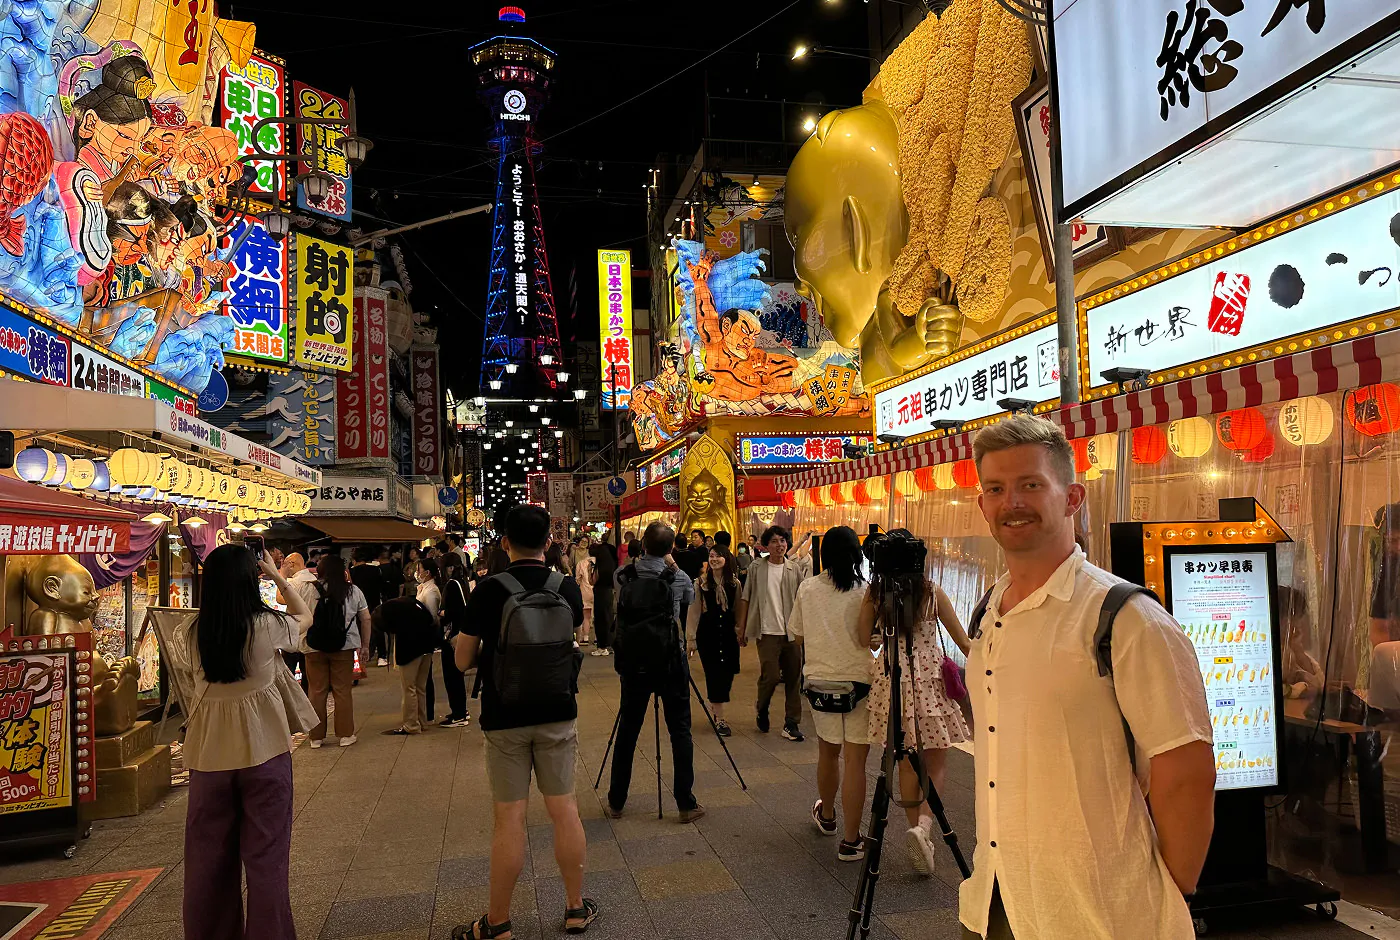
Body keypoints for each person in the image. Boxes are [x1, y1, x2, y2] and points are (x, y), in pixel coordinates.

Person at [959, 415, 1214, 940]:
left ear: (1072, 498)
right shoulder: (989, 611)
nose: (1012, 502)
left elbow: (1185, 770)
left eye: (1032, 485)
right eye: (996, 489)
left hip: (1101, 911)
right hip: (996, 896)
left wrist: (1167, 894)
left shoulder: (1126, 619)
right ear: (982, 505)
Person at [452, 505, 598, 938]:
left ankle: (497, 922)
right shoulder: (565, 587)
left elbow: (461, 661)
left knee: (510, 819)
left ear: (504, 542)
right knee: (565, 811)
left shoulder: (488, 590)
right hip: (557, 711)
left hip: (504, 716)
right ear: (549, 543)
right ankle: (575, 908)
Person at [183, 545, 312, 940]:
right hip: (265, 752)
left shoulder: (189, 631)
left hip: (208, 759)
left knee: (206, 863)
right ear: (249, 581)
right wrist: (276, 576)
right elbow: (305, 617)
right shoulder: (267, 626)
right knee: (267, 859)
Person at [859, 529, 972, 875]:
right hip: (928, 683)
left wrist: (881, 634)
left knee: (906, 763)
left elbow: (863, 638)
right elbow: (964, 643)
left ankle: (916, 831)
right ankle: (924, 827)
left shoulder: (876, 593)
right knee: (935, 761)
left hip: (892, 681)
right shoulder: (931, 592)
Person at [607, 523, 704, 823]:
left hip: (634, 662)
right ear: (671, 548)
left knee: (628, 729)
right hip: (670, 660)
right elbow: (689, 599)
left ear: (643, 545)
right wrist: (672, 565)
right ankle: (685, 803)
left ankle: (616, 801)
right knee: (680, 730)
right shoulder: (678, 577)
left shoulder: (623, 575)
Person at [791, 526, 874, 862]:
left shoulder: (808, 588)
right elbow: (871, 638)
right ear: (857, 554)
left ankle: (827, 816)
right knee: (856, 761)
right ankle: (851, 841)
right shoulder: (866, 591)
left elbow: (797, 635)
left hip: (820, 683)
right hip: (859, 683)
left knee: (828, 752)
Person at [737, 525, 807, 740]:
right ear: (766, 546)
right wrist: (741, 628)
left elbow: (802, 600)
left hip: (791, 632)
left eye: (782, 541)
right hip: (766, 631)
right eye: (774, 541)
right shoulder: (757, 567)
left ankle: (791, 722)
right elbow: (746, 597)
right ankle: (762, 707)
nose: (780, 545)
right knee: (772, 675)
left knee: (794, 677)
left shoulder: (793, 569)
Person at [294, 554, 369, 748]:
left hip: (312, 646)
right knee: (342, 690)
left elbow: (294, 614)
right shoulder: (353, 591)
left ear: (319, 571)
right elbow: (365, 618)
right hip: (344, 645)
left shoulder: (305, 588)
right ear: (343, 571)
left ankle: (316, 738)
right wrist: (365, 645)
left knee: (316, 691)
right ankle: (345, 735)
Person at [383, 557, 443, 735]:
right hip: (422, 644)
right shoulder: (424, 589)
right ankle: (421, 721)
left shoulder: (431, 592)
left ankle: (411, 724)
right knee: (419, 687)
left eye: (419, 569)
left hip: (416, 643)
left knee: (410, 686)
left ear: (428, 573)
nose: (417, 572)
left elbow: (430, 619)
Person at [685, 544, 740, 736]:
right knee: (714, 673)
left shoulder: (734, 583)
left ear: (726, 558)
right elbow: (694, 611)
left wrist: (741, 631)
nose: (714, 559)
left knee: (729, 672)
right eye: (711, 556)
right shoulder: (701, 583)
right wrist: (691, 639)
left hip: (728, 634)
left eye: (718, 556)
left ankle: (716, 704)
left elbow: (739, 608)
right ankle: (719, 717)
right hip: (708, 634)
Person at [439, 556, 473, 727]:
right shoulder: (463, 581)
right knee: (457, 675)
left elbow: (454, 611)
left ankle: (458, 714)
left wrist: (441, 613)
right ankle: (461, 711)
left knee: (451, 676)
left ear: (450, 567)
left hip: (453, 635)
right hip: (461, 634)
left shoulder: (452, 584)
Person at [575, 543, 596, 646]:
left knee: (586, 616)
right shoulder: (601, 562)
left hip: (585, 591)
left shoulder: (581, 563)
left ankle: (586, 637)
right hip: (597, 591)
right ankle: (597, 638)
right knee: (597, 615)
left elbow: (578, 579)